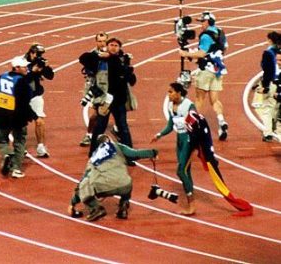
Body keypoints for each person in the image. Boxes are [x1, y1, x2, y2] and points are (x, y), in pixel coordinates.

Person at [68, 134, 158, 221]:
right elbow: (135, 154)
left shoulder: (94, 158)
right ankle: (123, 208)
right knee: (125, 179)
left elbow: (82, 183)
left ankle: (96, 208)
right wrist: (152, 153)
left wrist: (72, 203)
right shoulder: (118, 147)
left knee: (85, 184)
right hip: (125, 186)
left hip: (104, 187)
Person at [184, 110, 253, 216]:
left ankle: (243, 206)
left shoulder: (193, 122)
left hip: (208, 158)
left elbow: (193, 143)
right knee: (219, 183)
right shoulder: (197, 117)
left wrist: (188, 160)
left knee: (220, 186)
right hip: (209, 153)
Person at [79, 37, 137, 158]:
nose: (113, 47)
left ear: (120, 48)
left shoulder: (121, 60)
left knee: (123, 128)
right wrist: (99, 55)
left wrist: (128, 69)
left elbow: (132, 80)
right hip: (104, 100)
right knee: (100, 127)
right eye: (111, 45)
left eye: (116, 45)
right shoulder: (99, 59)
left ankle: (129, 155)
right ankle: (93, 153)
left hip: (119, 100)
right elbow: (83, 58)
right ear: (107, 46)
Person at [179, 11, 229, 141]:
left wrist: (186, 54)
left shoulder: (206, 36)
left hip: (206, 70)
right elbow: (224, 49)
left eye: (202, 22)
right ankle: (222, 122)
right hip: (218, 70)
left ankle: (193, 125)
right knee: (215, 100)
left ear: (207, 22)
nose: (200, 24)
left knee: (199, 98)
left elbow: (201, 53)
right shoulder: (221, 32)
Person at [0, 56, 40, 178]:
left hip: (2, 115)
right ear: (16, 68)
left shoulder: (2, 76)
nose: (27, 69)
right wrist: (34, 116)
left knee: (2, 139)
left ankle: (6, 154)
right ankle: (16, 168)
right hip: (18, 117)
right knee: (19, 142)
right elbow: (26, 100)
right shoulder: (22, 82)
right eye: (24, 67)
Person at [150, 82, 196, 215]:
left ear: (179, 93)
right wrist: (159, 135)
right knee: (187, 171)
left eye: (171, 92)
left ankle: (191, 204)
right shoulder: (171, 106)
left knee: (180, 171)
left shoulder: (189, 106)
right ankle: (190, 194)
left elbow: (197, 125)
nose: (168, 95)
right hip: (180, 142)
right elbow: (171, 125)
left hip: (188, 141)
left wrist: (196, 145)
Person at [24, 43, 54, 158]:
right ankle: (21, 147)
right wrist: (33, 71)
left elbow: (50, 77)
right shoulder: (21, 63)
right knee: (21, 123)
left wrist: (46, 68)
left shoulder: (40, 62)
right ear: (32, 53)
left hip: (36, 95)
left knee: (40, 121)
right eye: (38, 54)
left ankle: (41, 146)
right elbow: (22, 80)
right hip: (23, 97)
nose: (40, 56)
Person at [79, 32, 109, 147]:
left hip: (109, 87)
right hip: (97, 86)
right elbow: (87, 69)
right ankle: (89, 134)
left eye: (104, 41)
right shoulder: (91, 55)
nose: (102, 44)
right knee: (97, 113)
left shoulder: (111, 54)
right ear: (96, 42)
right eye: (100, 41)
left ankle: (116, 130)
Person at [255, 31, 280, 142]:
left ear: (270, 40)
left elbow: (268, 71)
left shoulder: (268, 53)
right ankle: (274, 128)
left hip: (273, 82)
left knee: (267, 108)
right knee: (277, 108)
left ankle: (268, 133)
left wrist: (265, 86)